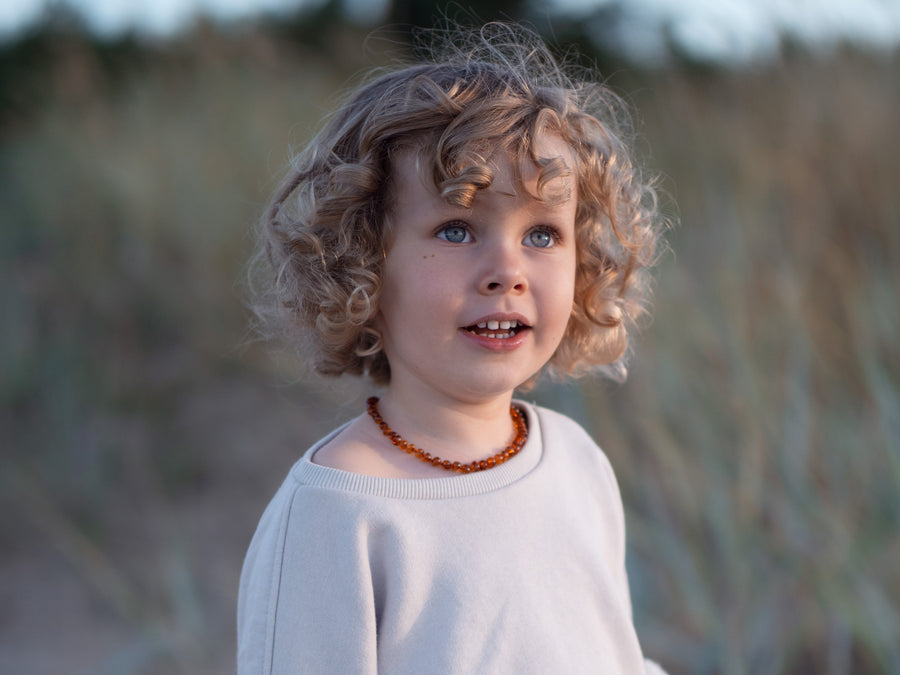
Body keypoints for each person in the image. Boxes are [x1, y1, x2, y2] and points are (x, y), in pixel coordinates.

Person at [238, 21, 667, 674]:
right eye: (458, 228)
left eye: (543, 235)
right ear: (364, 262)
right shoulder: (336, 510)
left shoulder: (577, 463)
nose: (507, 269)